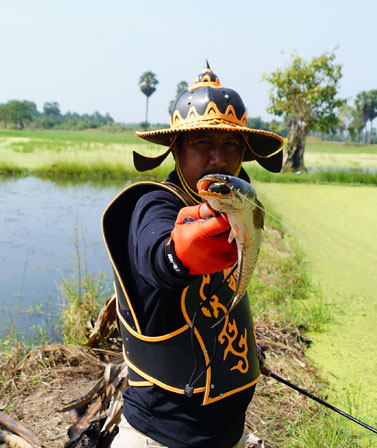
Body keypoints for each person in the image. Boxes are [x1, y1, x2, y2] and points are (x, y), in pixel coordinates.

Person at [101, 63, 283, 448]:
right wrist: (182, 253)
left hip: (226, 432)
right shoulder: (155, 205)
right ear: (177, 149)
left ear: (244, 154)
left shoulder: (236, 208)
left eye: (231, 144)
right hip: (160, 436)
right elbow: (158, 253)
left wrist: (249, 347)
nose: (218, 157)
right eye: (202, 142)